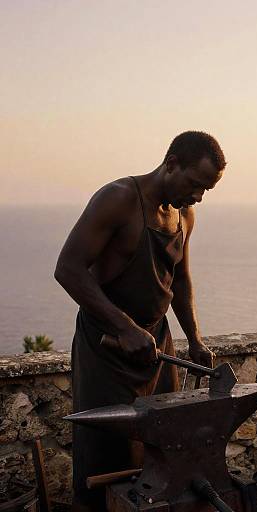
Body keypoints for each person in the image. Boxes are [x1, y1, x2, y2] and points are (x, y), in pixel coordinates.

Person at [54, 131, 226, 511]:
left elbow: (179, 279)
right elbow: (68, 269)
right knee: (105, 456)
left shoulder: (185, 215)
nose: (198, 196)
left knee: (163, 451)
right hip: (106, 348)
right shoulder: (118, 198)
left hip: (157, 348)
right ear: (171, 163)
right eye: (195, 184)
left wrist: (194, 339)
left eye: (206, 190)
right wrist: (122, 326)